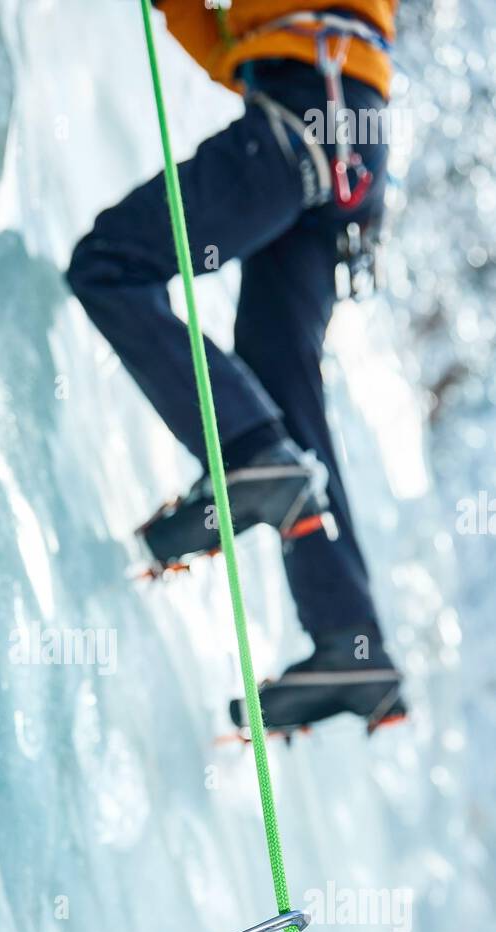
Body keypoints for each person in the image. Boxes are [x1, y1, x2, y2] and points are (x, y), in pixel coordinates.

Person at [67, 1, 406, 735]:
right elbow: (238, 47)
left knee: (111, 266)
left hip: (307, 112)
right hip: (346, 137)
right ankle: (353, 642)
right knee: (284, 387)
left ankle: (250, 459)